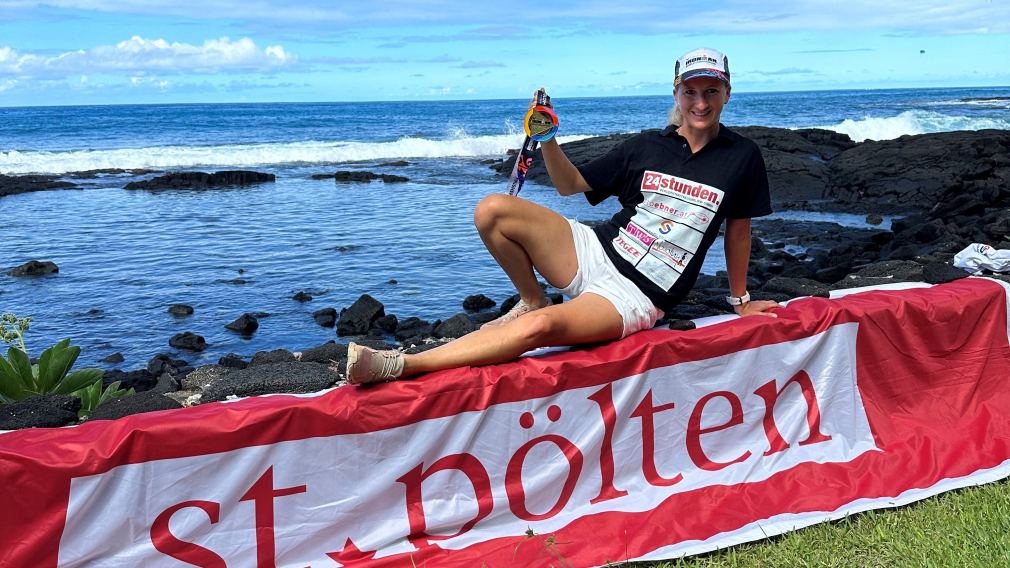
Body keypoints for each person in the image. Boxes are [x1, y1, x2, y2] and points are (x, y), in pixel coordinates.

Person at [346, 47, 780, 385]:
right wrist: (548, 138)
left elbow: (738, 231)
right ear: (675, 92)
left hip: (639, 295)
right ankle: (531, 296)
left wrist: (739, 303)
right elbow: (570, 184)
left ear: (727, 93)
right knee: (492, 210)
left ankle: (404, 364)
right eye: (690, 91)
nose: (700, 103)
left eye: (710, 91)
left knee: (542, 328)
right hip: (597, 250)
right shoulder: (647, 146)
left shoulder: (742, 157)